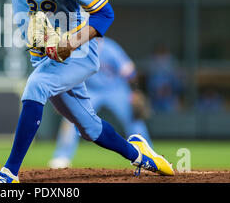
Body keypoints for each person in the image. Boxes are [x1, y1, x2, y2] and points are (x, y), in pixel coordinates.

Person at [0, 0, 174, 183]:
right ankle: (140, 155)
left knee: (36, 87)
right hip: (45, 55)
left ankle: (9, 173)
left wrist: (70, 43)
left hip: (77, 54)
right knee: (89, 128)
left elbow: (105, 14)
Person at [49, 37, 153, 169]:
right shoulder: (78, 49)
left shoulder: (110, 48)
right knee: (71, 119)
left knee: (133, 119)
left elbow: (129, 71)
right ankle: (62, 156)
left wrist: (135, 92)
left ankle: (148, 155)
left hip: (116, 89)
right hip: (90, 90)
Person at [146, 43, 182, 113]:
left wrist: (168, 88)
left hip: (170, 96)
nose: (160, 54)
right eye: (159, 51)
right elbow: (149, 83)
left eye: (162, 51)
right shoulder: (151, 61)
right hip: (155, 97)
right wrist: (158, 90)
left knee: (173, 108)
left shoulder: (171, 61)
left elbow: (178, 84)